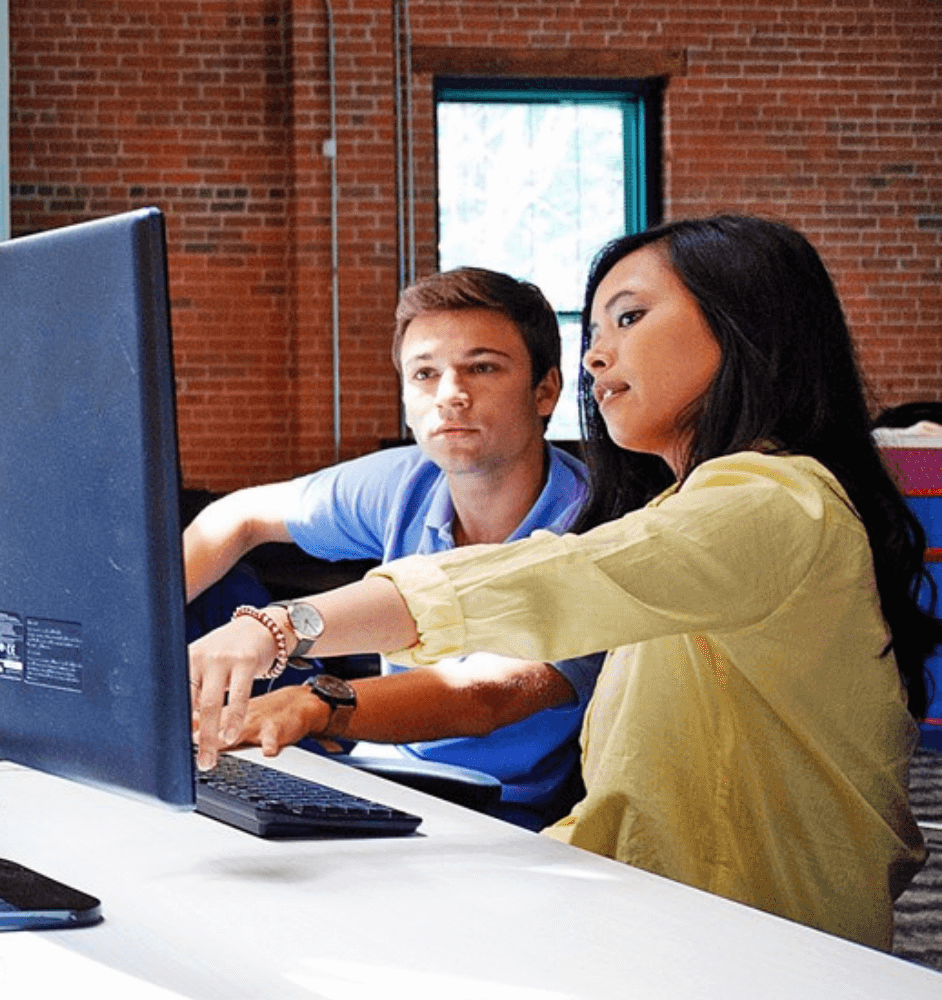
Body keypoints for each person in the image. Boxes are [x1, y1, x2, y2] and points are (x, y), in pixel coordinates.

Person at [186, 215, 937, 947]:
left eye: (630, 317)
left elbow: (551, 585)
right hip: (648, 902)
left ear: (745, 326)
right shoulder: (695, 503)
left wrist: (285, 627)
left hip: (757, 945)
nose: (596, 358)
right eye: (596, 333)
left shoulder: (772, 501)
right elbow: (633, 809)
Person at [180, 267, 602, 827]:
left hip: (505, 809)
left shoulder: (596, 523)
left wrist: (317, 703)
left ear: (545, 390)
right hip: (379, 775)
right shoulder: (407, 481)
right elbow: (233, 518)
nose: (451, 394)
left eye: (482, 367)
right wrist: (128, 639)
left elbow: (489, 697)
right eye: (425, 373)